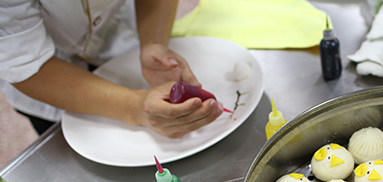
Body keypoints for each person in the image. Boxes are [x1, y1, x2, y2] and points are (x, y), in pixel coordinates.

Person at [0, 0, 222, 139]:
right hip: (49, 79)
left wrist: (154, 41)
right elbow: (26, 62)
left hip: (122, 32)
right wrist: (135, 107)